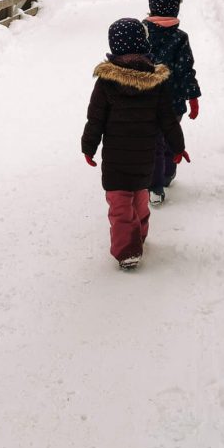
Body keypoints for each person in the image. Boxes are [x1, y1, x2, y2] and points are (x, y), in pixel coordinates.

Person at [82, 18, 189, 270]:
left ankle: (127, 249)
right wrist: (178, 146)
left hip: (116, 160)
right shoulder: (155, 82)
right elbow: (168, 119)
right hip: (145, 158)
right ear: (143, 43)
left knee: (120, 206)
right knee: (140, 199)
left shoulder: (106, 82)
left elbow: (95, 119)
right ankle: (138, 234)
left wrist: (88, 147)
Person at [143, 0, 201, 205]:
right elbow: (186, 69)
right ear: (175, 9)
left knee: (153, 144)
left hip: (147, 100)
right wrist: (192, 96)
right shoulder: (180, 37)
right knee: (169, 138)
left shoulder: (142, 33)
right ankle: (167, 174)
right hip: (173, 101)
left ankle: (155, 186)